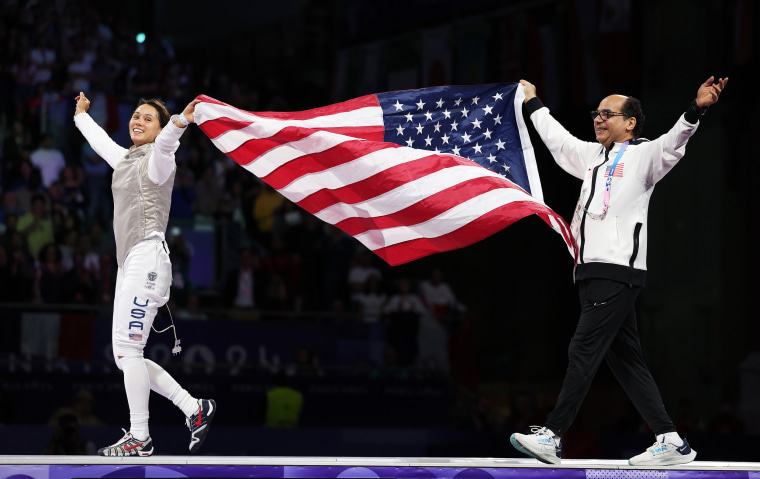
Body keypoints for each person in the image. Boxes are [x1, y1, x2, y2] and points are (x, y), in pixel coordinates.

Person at [509, 76, 728, 466]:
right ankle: (672, 441)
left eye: (608, 113)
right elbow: (558, 140)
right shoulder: (592, 157)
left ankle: (553, 434)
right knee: (626, 361)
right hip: (590, 270)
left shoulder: (646, 156)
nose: (598, 118)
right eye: (597, 112)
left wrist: (697, 109)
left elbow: (676, 138)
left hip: (616, 270)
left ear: (630, 123)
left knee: (583, 348)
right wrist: (533, 102)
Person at [73, 92, 216, 457]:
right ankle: (193, 408)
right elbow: (102, 142)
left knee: (128, 351)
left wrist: (180, 122)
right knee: (126, 355)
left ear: (158, 128)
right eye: (136, 115)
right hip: (130, 263)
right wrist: (81, 117)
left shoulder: (160, 159)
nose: (138, 121)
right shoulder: (126, 159)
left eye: (147, 118)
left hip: (147, 260)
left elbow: (168, 142)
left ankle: (141, 436)